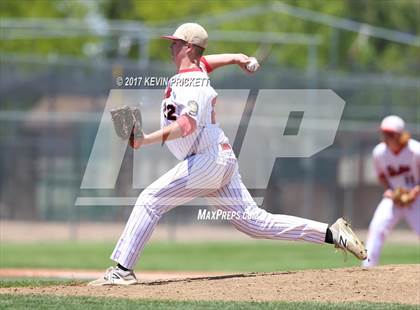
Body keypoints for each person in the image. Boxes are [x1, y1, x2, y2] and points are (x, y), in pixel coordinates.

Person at [89, 23, 367, 286]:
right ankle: (333, 233)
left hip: (206, 160)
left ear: (188, 47)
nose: (170, 47)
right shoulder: (193, 74)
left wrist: (146, 140)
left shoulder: (193, 83)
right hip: (217, 158)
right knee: (256, 222)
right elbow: (207, 62)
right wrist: (238, 57)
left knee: (149, 199)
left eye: (175, 43)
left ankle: (122, 271)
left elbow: (188, 125)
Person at [363, 115, 419, 267]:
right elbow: (382, 176)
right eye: (384, 133)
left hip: (416, 198)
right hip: (393, 198)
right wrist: (388, 190)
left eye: (389, 134)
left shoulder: (415, 150)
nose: (385, 137)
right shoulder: (379, 152)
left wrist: (415, 192)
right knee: (377, 228)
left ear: (399, 135)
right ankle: (367, 269)